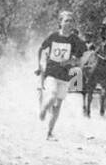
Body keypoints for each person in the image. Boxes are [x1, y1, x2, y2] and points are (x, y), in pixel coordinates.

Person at [36, 10, 86, 140]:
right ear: (60, 22)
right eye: (66, 21)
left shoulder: (75, 40)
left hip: (65, 75)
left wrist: (72, 61)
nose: (69, 23)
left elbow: (82, 56)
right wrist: (39, 65)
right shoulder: (53, 37)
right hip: (52, 72)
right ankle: (43, 109)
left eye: (71, 21)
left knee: (58, 106)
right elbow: (41, 49)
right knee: (52, 96)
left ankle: (49, 132)